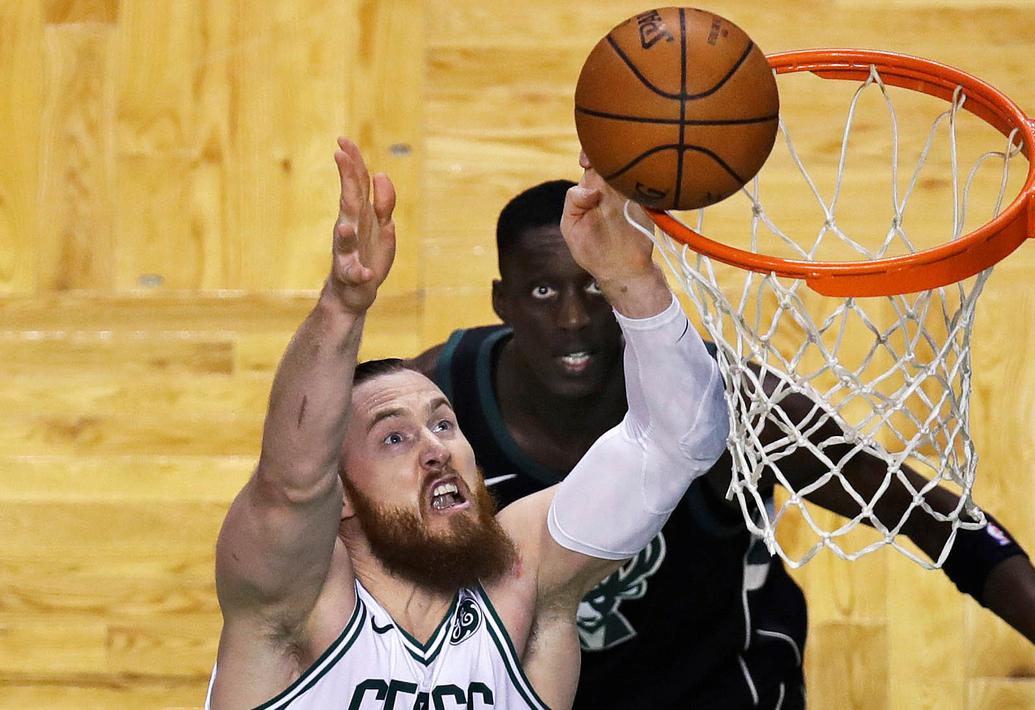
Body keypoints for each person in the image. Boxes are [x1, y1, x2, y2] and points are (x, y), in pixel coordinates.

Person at [407, 169, 1035, 709]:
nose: (573, 318)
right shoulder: (424, 406)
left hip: (716, 687)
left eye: (596, 286)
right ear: (502, 301)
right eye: (543, 292)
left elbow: (925, 513)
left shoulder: (730, 404)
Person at [205, 138, 730, 709]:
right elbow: (291, 484)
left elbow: (680, 440)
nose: (435, 450)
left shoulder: (523, 580)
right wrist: (342, 305)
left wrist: (629, 276)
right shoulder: (299, 610)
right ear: (343, 495)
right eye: (394, 437)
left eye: (445, 424)